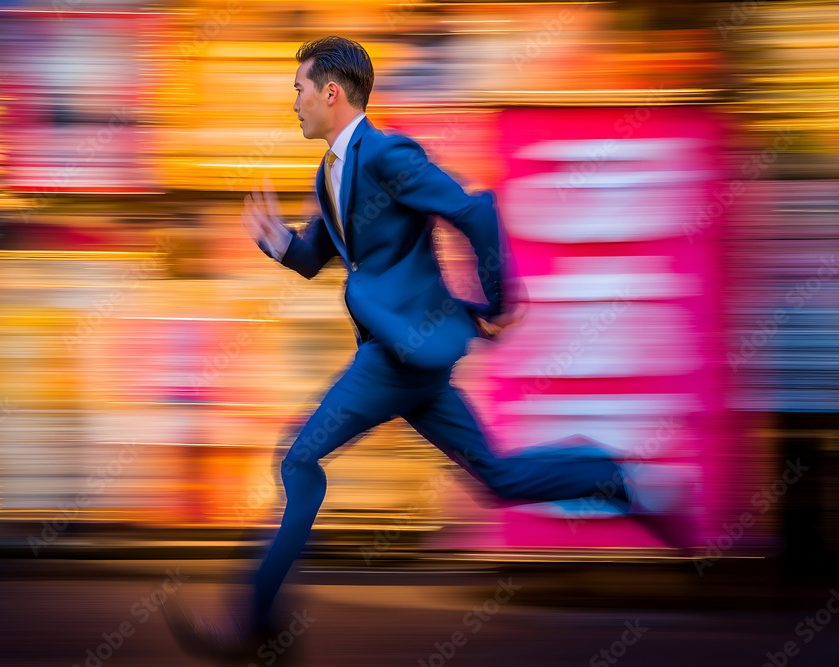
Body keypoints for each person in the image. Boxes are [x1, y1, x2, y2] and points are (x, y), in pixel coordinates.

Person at [166, 35, 687, 660]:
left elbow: (474, 212)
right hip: (411, 354)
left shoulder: (386, 153)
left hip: (394, 357)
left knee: (298, 463)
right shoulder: (330, 170)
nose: (293, 103)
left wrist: (499, 303)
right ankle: (613, 477)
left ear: (331, 92)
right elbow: (318, 258)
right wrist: (279, 243)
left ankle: (255, 624)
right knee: (496, 476)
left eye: (298, 90)